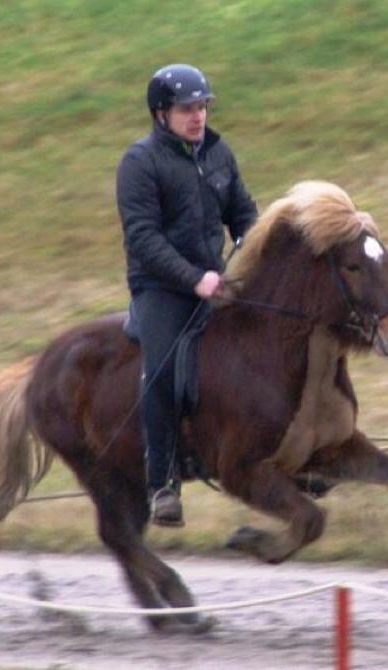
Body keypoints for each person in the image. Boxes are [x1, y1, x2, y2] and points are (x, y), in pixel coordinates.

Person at [116, 64, 257, 526]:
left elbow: (243, 214)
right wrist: (194, 279)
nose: (197, 116)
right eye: (186, 109)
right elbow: (143, 239)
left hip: (216, 279)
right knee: (160, 370)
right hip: (160, 287)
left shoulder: (218, 153)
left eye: (202, 107)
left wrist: (253, 255)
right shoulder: (140, 163)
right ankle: (162, 484)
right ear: (161, 114)